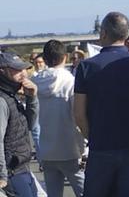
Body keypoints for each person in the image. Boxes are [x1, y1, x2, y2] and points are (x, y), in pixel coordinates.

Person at [74, 12, 129, 197]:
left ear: (103, 33)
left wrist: (92, 136)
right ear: (127, 35)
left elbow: (79, 113)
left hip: (102, 143)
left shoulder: (86, 67)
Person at [34, 40, 84, 197]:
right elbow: (78, 115)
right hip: (70, 148)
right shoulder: (71, 81)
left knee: (54, 193)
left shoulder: (35, 82)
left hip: (46, 148)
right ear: (65, 57)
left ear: (45, 59)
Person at [0, 52, 39, 197]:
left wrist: (32, 98)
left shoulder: (12, 94)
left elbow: (31, 125)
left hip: (23, 167)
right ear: (2, 71)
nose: (23, 73)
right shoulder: (2, 99)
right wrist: (2, 175)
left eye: (24, 69)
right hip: (12, 172)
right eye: (17, 69)